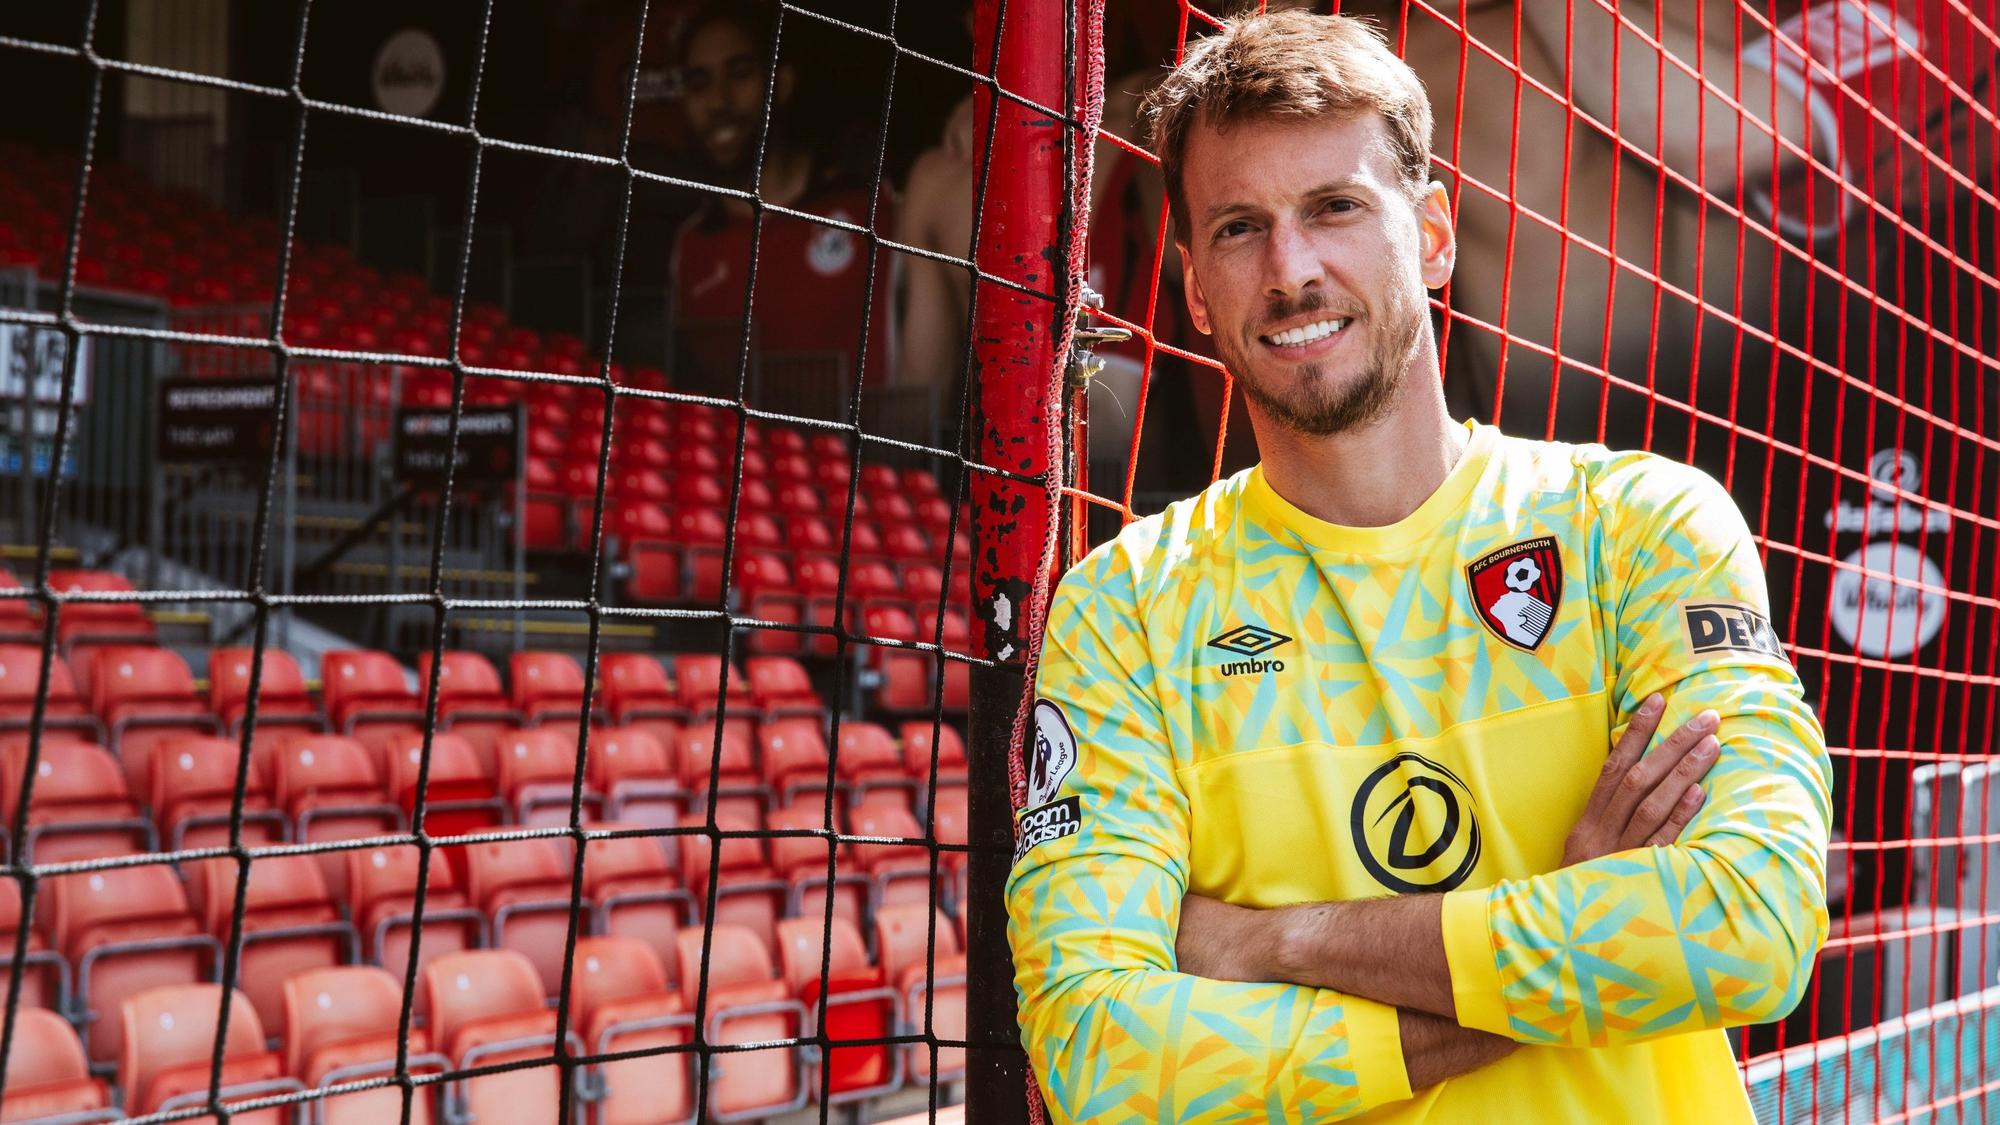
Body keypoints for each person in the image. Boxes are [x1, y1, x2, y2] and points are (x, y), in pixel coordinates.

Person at [1005, 11, 1832, 1123]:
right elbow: (1093, 1051)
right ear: (1194, 290)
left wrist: (1274, 943)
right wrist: (1556, 924)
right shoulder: (1125, 610)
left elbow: (1749, 924)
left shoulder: (1638, 526)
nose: (1290, 270)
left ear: (1433, 233)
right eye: (1239, 228)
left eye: (1334, 207)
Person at [668, 0, 894, 421]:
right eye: (699, 84)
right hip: (743, 475)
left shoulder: (872, 206)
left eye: (739, 74)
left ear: (781, 83)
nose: (718, 101)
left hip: (876, 468)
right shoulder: (690, 246)